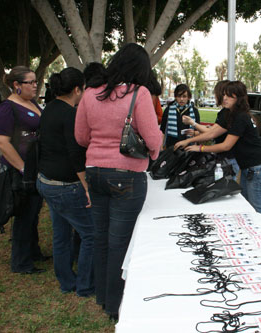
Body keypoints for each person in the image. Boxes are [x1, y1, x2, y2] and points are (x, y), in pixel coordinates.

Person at [75, 42, 163, 320]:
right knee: (120, 242)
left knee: (101, 238)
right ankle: (115, 304)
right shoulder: (139, 94)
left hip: (94, 172)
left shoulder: (90, 94)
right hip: (127, 175)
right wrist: (154, 151)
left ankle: (103, 296)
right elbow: (152, 140)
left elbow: (80, 137)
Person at [174, 81, 261, 220]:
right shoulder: (230, 114)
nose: (224, 98)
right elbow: (212, 133)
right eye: (224, 94)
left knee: (257, 209)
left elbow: (226, 146)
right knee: (247, 207)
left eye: (230, 96)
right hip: (249, 167)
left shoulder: (241, 117)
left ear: (238, 99)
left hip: (257, 167)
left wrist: (200, 148)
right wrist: (188, 140)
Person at [36, 67, 94, 297]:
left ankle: (66, 281)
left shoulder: (48, 108)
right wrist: (87, 187)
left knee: (61, 234)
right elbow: (75, 155)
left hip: (46, 181)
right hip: (65, 187)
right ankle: (85, 285)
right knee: (91, 234)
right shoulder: (71, 114)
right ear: (78, 89)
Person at [0, 65, 48, 274]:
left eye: (36, 82)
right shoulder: (7, 108)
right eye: (30, 82)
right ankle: (21, 261)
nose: (35, 86)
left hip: (35, 167)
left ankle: (33, 251)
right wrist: (23, 168)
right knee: (24, 214)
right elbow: (2, 142)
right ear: (16, 85)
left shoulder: (31, 103)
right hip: (19, 169)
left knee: (33, 212)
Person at [181, 80, 240, 178]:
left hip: (229, 159)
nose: (216, 96)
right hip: (225, 158)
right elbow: (213, 131)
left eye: (216, 93)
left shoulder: (229, 114)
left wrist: (193, 124)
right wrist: (196, 133)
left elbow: (212, 133)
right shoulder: (224, 112)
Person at [160, 84, 200, 148]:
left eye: (184, 96)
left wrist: (194, 133)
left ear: (188, 97)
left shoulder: (194, 111)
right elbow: (162, 130)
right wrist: (161, 146)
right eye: (179, 96)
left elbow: (199, 131)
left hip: (188, 147)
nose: (181, 99)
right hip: (171, 147)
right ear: (175, 97)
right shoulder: (168, 109)